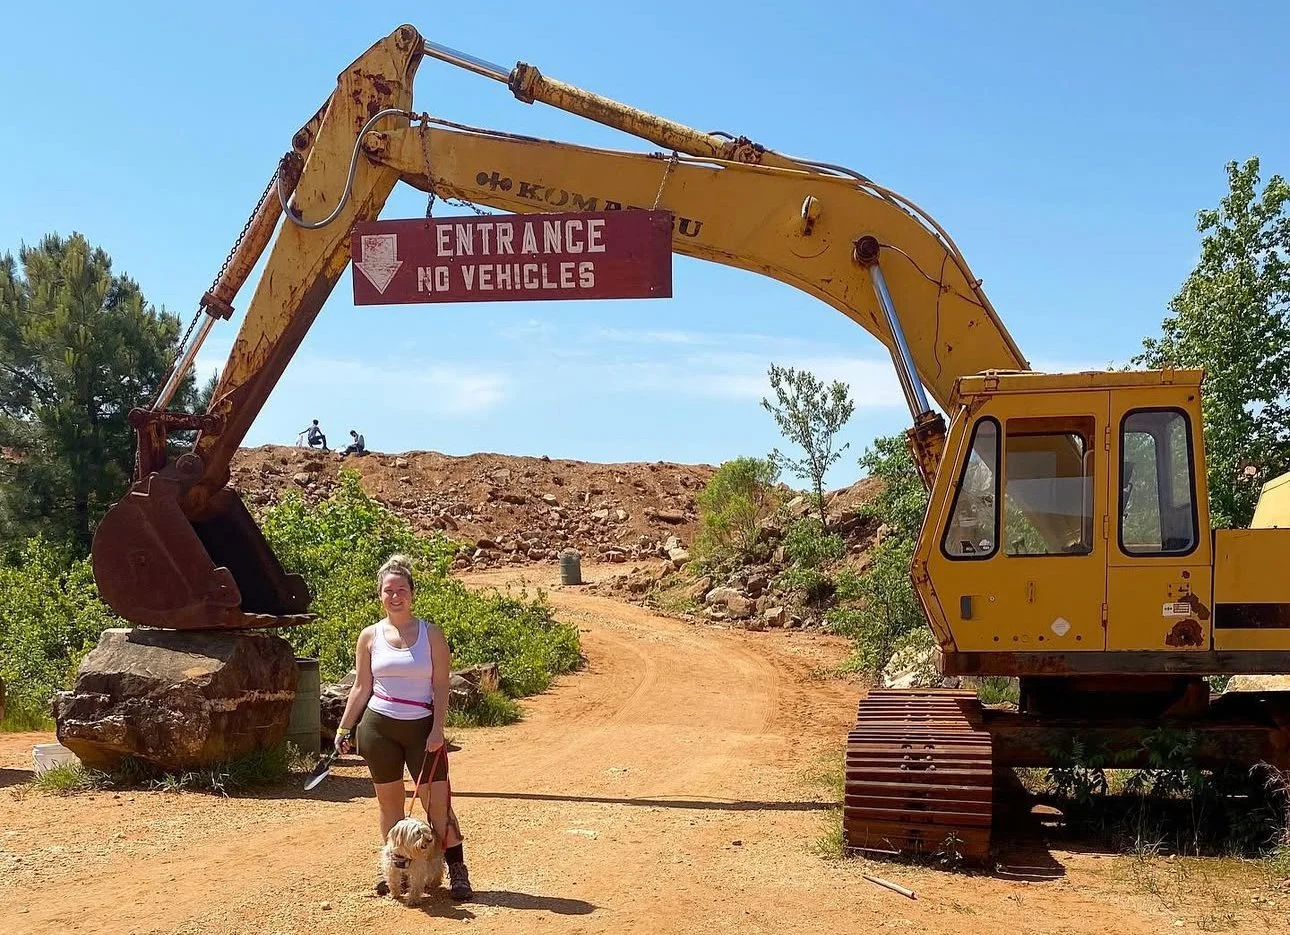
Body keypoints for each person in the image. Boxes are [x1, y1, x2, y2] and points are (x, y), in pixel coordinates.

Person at [333, 555, 474, 901]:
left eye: (401, 590)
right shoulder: (369, 636)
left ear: (412, 593)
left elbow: (441, 685)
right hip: (378, 728)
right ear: (379, 595)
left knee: (436, 806)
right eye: (388, 590)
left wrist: (438, 729)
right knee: (390, 808)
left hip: (423, 729)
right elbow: (361, 687)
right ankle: (396, 871)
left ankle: (454, 868)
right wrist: (343, 729)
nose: (395, 596)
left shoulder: (432, 635)